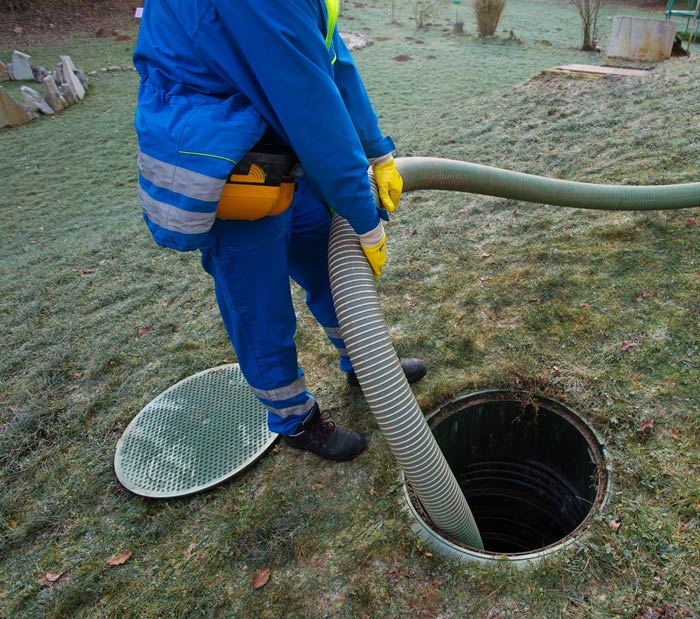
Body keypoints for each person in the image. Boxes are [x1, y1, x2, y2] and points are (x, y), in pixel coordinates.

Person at [133, 0, 427, 462]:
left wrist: (378, 152)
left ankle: (365, 363)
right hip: (230, 168)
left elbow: (331, 59)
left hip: (282, 151)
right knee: (261, 310)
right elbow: (309, 103)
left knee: (332, 273)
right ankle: (295, 419)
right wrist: (365, 222)